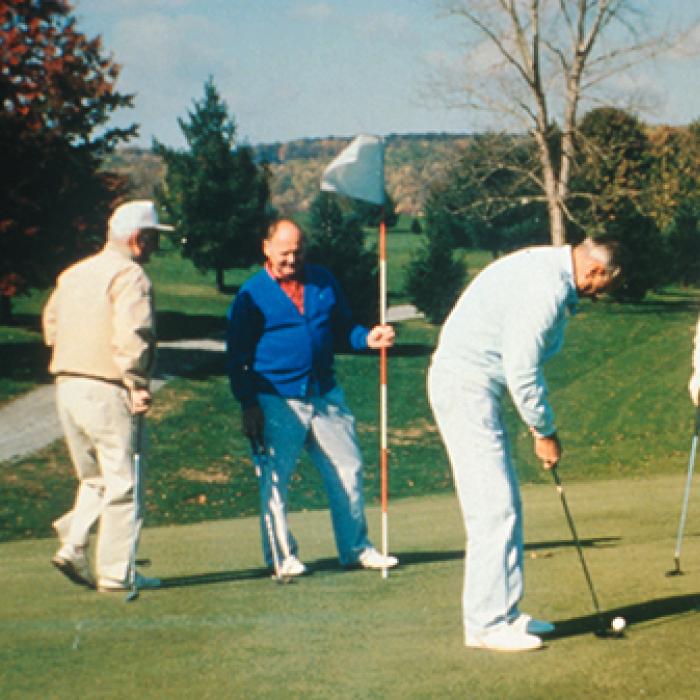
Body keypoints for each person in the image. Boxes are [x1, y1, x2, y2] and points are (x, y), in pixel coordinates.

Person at [427, 236, 620, 652]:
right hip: (465, 385)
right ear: (596, 271)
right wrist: (544, 431)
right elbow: (522, 371)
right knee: (492, 508)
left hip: (478, 385)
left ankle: (507, 613)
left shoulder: (552, 271)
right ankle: (485, 624)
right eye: (606, 285)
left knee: (505, 504)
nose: (602, 293)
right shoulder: (546, 289)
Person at [226, 218, 399, 576]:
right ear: (266, 248)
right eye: (285, 252)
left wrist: (368, 338)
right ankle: (281, 557)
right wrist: (249, 403)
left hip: (324, 394)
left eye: (298, 251)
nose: (292, 259)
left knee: (348, 470)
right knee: (275, 480)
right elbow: (237, 356)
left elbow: (342, 329)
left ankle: (356, 549)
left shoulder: (322, 281)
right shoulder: (251, 294)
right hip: (275, 400)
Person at [42, 199, 172, 593]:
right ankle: (117, 572)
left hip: (67, 385)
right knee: (123, 482)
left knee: (95, 479)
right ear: (136, 240)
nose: (154, 248)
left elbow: (50, 324)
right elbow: (133, 334)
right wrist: (137, 383)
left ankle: (74, 544)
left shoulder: (74, 274)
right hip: (107, 386)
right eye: (151, 239)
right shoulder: (130, 275)